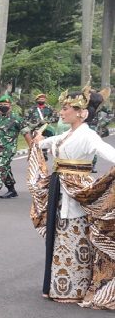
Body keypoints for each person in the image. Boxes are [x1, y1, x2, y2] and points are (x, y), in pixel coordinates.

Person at [29, 87, 115, 306]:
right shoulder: (67, 134)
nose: (61, 112)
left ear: (81, 113)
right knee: (60, 236)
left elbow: (107, 152)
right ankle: (59, 285)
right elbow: (47, 143)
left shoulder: (88, 135)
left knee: (74, 236)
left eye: (65, 108)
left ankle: (74, 289)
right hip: (59, 189)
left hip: (76, 190)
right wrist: (38, 141)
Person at [24, 93, 58, 161]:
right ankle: (35, 159)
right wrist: (30, 124)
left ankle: (43, 160)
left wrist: (48, 121)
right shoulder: (32, 109)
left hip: (45, 130)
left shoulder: (49, 108)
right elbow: (24, 119)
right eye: (39, 99)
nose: (41, 100)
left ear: (45, 100)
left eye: (42, 99)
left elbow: (57, 117)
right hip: (35, 130)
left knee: (43, 146)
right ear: (37, 100)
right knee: (35, 145)